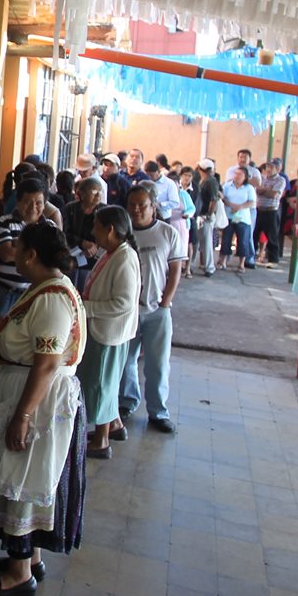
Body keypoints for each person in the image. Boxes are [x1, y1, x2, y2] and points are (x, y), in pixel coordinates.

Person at [0, 223, 87, 596]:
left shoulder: (52, 298)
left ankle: (19, 573)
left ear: (31, 255)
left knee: (22, 478)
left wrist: (23, 416)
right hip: (23, 388)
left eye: (18, 247)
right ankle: (29, 558)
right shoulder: (45, 289)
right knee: (22, 479)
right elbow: (28, 347)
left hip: (37, 402)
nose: (11, 252)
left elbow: (46, 363)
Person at [120, 184, 186, 433]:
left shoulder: (167, 233)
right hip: (128, 311)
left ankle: (158, 412)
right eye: (132, 205)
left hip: (157, 312)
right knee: (126, 362)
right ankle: (127, 402)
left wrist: (166, 301)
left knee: (157, 365)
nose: (136, 210)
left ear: (153, 207)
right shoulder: (123, 234)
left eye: (142, 205)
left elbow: (175, 270)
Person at [77, 207, 141, 458]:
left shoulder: (124, 257)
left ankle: (101, 440)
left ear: (110, 229)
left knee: (101, 384)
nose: (93, 231)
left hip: (109, 332)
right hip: (104, 329)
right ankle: (113, 425)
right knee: (105, 382)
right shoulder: (113, 253)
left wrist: (87, 308)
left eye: (96, 226)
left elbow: (123, 303)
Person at [0, 177, 55, 322]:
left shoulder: (50, 227)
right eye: (27, 202)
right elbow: (7, 254)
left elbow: (52, 256)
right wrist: (40, 250)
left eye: (39, 203)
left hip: (35, 293)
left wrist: (18, 245)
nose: (33, 208)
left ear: (45, 204)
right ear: (18, 202)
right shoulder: (4, 222)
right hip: (5, 292)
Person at [63, 176, 104, 290]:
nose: (98, 195)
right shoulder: (71, 208)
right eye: (94, 191)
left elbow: (107, 235)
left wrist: (95, 246)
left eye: (100, 191)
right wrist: (82, 243)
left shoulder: (104, 210)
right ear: (82, 193)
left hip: (95, 258)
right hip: (72, 256)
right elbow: (65, 232)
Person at [218, 167, 256, 272]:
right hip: (229, 216)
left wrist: (240, 207)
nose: (237, 176)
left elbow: (252, 202)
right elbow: (223, 198)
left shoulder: (249, 188)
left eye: (240, 174)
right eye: (236, 174)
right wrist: (231, 205)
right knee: (226, 239)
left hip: (242, 218)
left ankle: (241, 263)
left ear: (245, 177)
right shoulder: (227, 186)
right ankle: (223, 261)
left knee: (243, 240)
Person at [255, 160, 285, 266]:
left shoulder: (281, 180)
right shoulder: (262, 178)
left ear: (278, 169)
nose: (268, 169)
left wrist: (264, 190)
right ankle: (251, 257)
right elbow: (257, 190)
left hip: (271, 211)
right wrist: (265, 189)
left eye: (271, 167)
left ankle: (273, 259)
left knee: (272, 236)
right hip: (259, 209)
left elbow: (274, 194)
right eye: (267, 166)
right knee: (254, 234)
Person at [195, 158, 222, 277]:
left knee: (206, 242)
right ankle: (206, 265)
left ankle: (209, 267)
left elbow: (213, 200)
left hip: (205, 215)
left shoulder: (210, 181)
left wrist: (209, 214)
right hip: (203, 214)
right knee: (203, 241)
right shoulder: (208, 180)